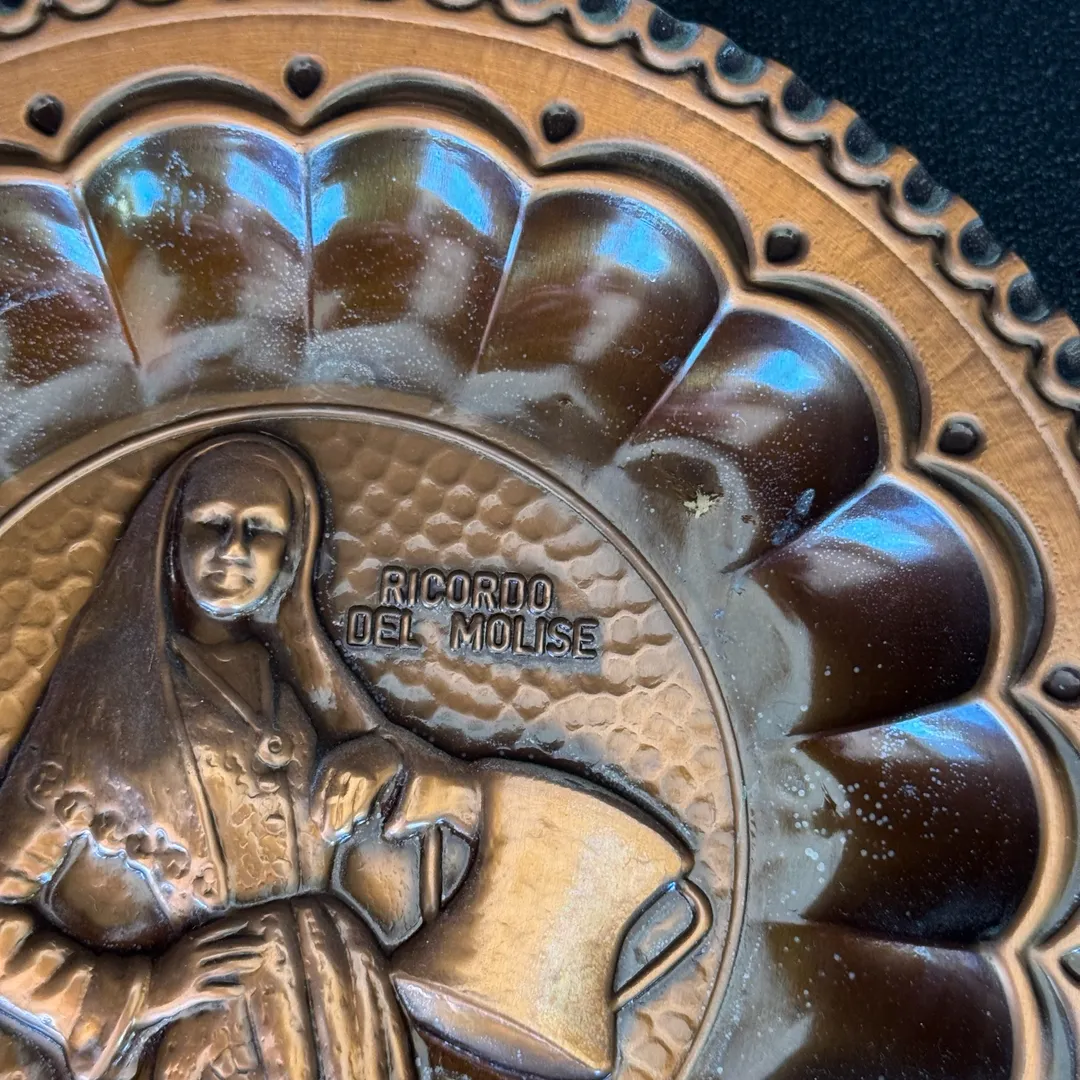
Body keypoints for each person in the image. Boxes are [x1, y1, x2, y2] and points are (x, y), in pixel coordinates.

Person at [0, 433, 476, 1080]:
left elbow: (456, 828)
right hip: (217, 1026)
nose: (234, 549)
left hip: (342, 999)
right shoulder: (107, 702)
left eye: (260, 530)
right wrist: (139, 991)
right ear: (171, 540)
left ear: (290, 554)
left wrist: (387, 758)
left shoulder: (303, 688)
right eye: (212, 524)